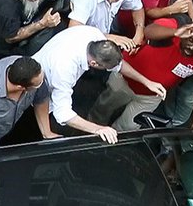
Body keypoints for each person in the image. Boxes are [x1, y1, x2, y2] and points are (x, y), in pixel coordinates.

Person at [33, 24, 163, 143]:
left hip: (59, 84)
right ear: (94, 64)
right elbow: (63, 113)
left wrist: (147, 82)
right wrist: (98, 129)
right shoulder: (65, 67)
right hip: (36, 91)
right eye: (105, 68)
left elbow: (118, 66)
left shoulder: (94, 36)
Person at [95, 18, 193, 131]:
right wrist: (175, 32)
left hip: (150, 97)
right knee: (103, 109)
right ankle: (90, 133)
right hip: (124, 80)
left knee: (129, 126)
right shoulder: (172, 26)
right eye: (191, 41)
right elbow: (149, 31)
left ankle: (110, 144)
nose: (192, 48)